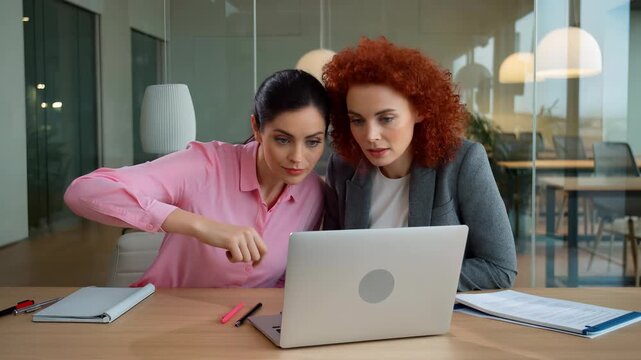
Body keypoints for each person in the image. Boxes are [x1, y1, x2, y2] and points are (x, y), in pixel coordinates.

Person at [64, 69, 330, 288]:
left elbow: (284, 283)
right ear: (257, 129)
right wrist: (200, 226)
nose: (298, 157)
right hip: (161, 319)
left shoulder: (314, 194)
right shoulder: (205, 165)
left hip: (245, 330)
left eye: (313, 142)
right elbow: (84, 191)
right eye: (283, 139)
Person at [322, 37, 516, 291]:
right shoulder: (342, 167)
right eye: (357, 120)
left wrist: (404, 279)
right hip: (359, 311)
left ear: (420, 110)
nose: (370, 136)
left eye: (386, 118)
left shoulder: (463, 162)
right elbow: (333, 261)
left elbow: (500, 268)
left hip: (434, 312)